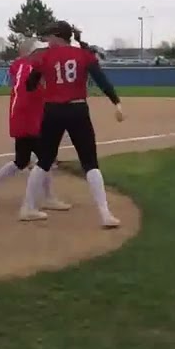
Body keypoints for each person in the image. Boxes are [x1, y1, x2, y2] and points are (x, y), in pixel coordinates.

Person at [23, 20, 125, 229]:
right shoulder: (83, 55)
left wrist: (45, 79)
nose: (48, 40)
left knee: (44, 160)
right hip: (77, 110)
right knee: (90, 162)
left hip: (52, 111)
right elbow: (101, 80)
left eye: (50, 37)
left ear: (58, 36)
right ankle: (105, 214)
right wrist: (116, 102)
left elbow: (30, 85)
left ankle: (28, 207)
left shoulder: (45, 56)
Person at [0, 38, 70, 219]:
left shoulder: (25, 67)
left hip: (26, 119)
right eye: (41, 51)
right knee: (44, 158)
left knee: (22, 160)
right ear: (32, 54)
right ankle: (42, 200)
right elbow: (25, 92)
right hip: (28, 120)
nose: (44, 54)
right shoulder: (27, 68)